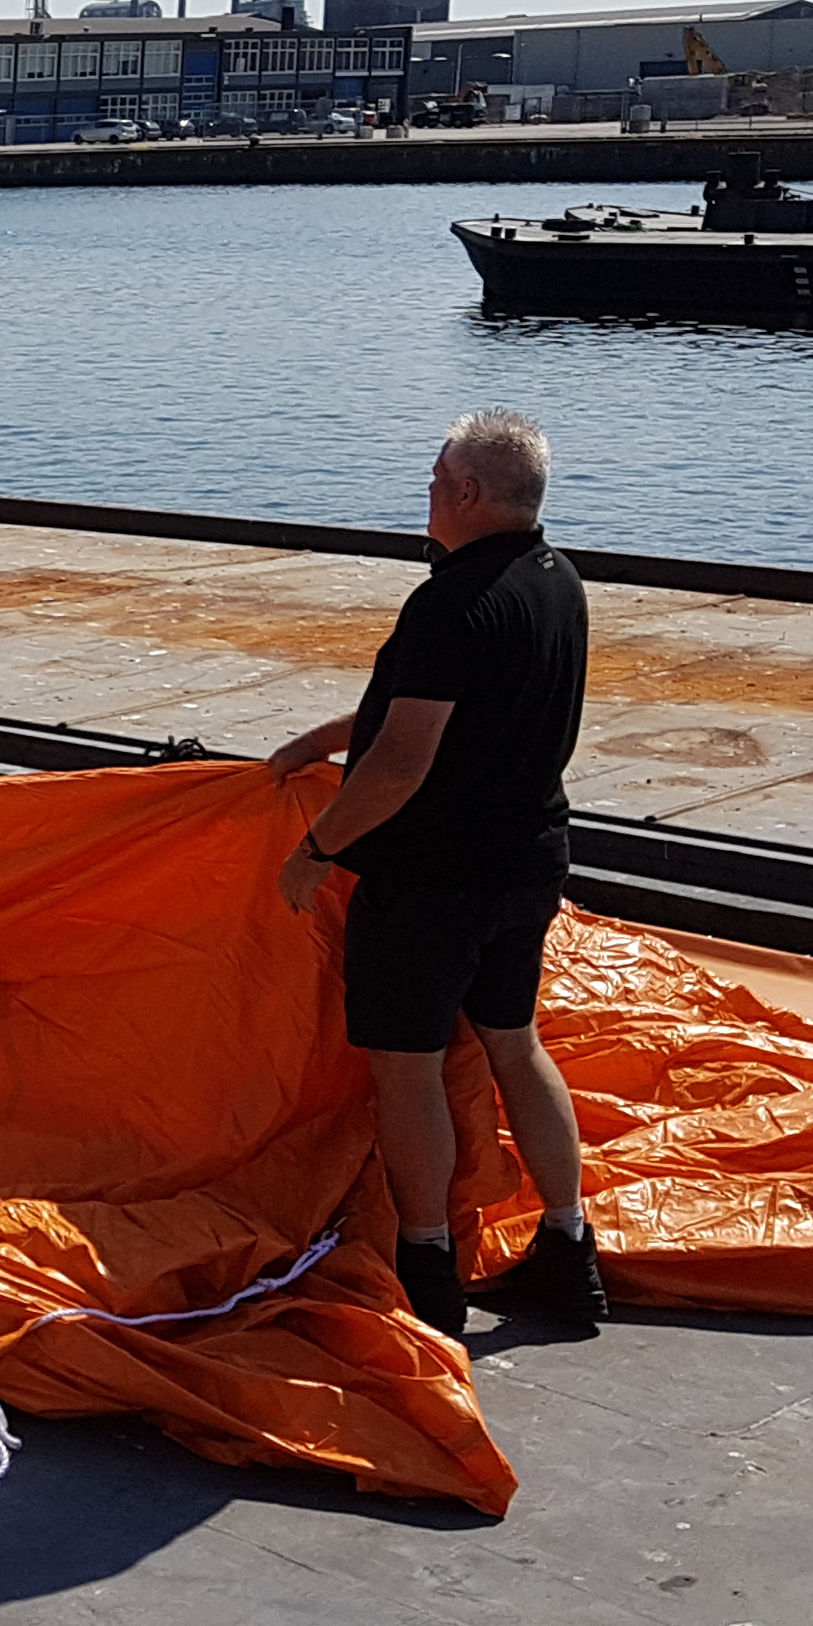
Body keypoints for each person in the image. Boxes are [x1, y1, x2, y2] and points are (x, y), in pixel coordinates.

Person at [268, 409, 599, 1340]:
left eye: (432, 480)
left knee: (406, 1072)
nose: (424, 495)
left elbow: (405, 759)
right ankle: (570, 1251)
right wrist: (319, 740)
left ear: (466, 492)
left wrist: (317, 848)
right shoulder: (557, 583)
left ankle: (427, 1267)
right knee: (515, 1044)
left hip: (431, 884)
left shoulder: (448, 604)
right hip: (527, 865)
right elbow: (461, 711)